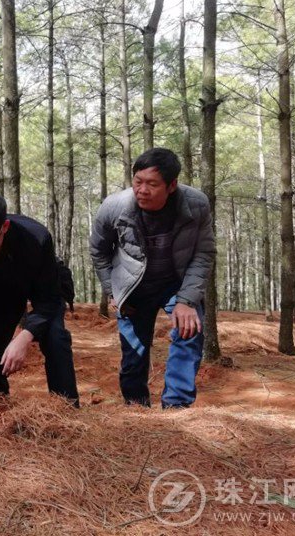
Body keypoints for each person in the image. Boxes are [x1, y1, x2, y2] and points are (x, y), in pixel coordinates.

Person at [89, 147, 215, 409]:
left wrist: (188, 300)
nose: (142, 190)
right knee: (134, 353)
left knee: (189, 330)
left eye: (152, 184)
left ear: (171, 186)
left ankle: (176, 406)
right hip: (132, 286)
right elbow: (99, 251)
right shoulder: (114, 207)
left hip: (176, 282)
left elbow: (203, 253)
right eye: (138, 181)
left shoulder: (196, 204)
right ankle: (136, 408)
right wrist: (112, 291)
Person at [0, 188, 79, 404]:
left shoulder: (37, 239)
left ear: (4, 227)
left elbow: (48, 298)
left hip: (40, 289)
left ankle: (66, 408)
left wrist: (25, 336)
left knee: (56, 338)